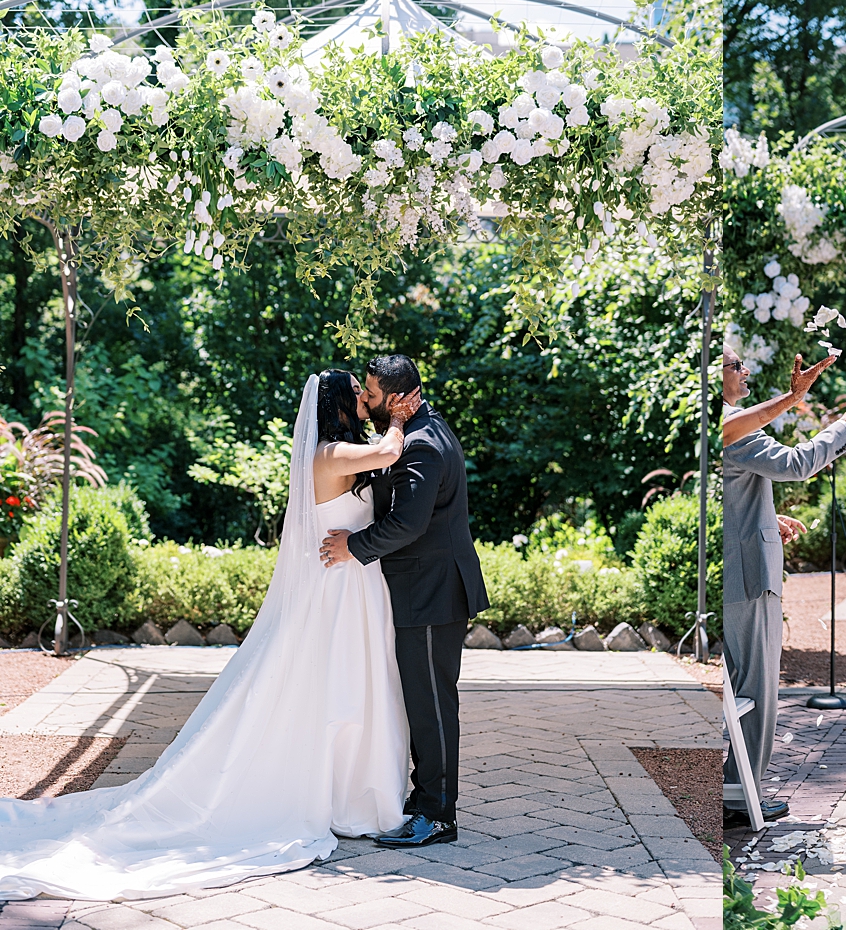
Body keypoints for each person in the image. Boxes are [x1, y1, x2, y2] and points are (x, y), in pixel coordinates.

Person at [0, 369, 417, 898]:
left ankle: (346, 794)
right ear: (336, 403)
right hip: (337, 591)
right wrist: (399, 418)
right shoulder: (330, 455)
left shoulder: (336, 452)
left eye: (367, 390)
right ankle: (347, 798)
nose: (363, 397)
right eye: (355, 390)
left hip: (351, 585)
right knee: (341, 690)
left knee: (350, 690)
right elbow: (386, 455)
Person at [321, 352, 486, 847]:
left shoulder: (424, 445)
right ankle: (425, 800)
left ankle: (437, 815)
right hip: (423, 590)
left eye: (370, 393)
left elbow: (408, 524)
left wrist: (354, 546)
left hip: (432, 591)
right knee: (422, 701)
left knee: (432, 705)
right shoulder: (416, 433)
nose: (365, 400)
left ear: (394, 398)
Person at [721, 345, 846, 826]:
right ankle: (740, 794)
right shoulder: (731, 424)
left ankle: (734, 788)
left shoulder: (725, 426)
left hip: (736, 565)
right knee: (754, 687)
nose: (745, 370)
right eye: (734, 364)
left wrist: (768, 516)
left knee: (739, 685)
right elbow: (794, 464)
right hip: (747, 578)